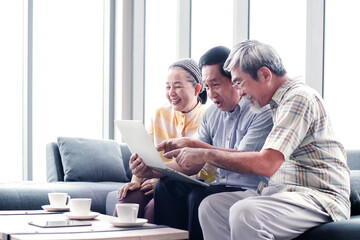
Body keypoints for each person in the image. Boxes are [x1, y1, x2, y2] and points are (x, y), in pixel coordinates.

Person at [171, 40, 350, 240]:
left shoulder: (299, 98)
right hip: (283, 192)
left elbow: (266, 164)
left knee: (245, 213)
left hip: (318, 197)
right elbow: (257, 156)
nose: (239, 91)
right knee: (211, 207)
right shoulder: (278, 104)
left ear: (265, 74)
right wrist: (197, 148)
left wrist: (205, 153)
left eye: (239, 82)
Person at [129, 46, 273, 240]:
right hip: (218, 184)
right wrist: (153, 171)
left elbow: (243, 160)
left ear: (234, 81)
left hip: (248, 189)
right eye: (207, 86)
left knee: (200, 196)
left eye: (216, 84)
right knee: (166, 186)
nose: (211, 93)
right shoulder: (212, 114)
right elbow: (192, 162)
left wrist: (197, 148)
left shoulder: (260, 111)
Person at [114, 58, 209, 223]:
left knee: (153, 209)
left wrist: (160, 180)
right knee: (127, 200)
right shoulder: (159, 113)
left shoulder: (207, 118)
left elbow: (202, 171)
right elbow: (144, 152)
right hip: (150, 180)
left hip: (178, 186)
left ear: (196, 89)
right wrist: (136, 180)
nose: (171, 92)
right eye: (168, 86)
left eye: (177, 86)